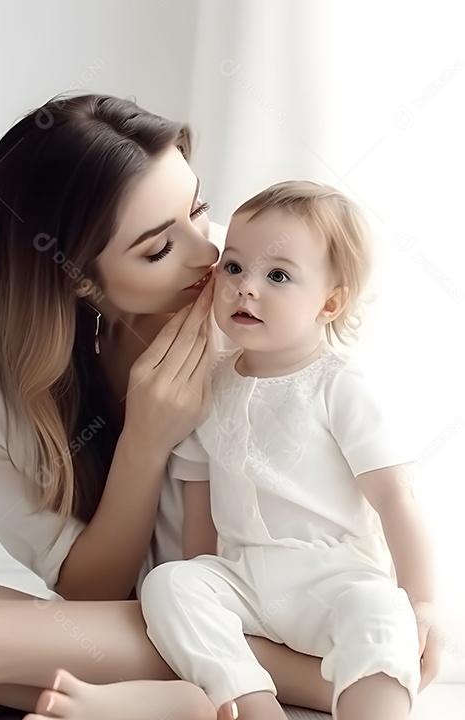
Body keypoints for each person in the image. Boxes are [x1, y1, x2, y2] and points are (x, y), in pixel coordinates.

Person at [0, 94, 377, 720]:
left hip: (249, 616)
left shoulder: (252, 301)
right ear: (77, 277)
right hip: (122, 621)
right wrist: (145, 439)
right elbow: (87, 588)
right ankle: (147, 700)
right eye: (159, 249)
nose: (210, 255)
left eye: (198, 210)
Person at [131, 181, 440, 720]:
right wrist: (203, 575)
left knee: (380, 610)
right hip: (246, 580)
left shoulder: (339, 387)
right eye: (232, 268)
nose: (245, 288)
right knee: (170, 583)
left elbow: (395, 498)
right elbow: (199, 504)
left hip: (334, 581)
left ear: (330, 301)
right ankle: (251, 703)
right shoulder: (209, 386)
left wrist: (422, 602)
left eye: (277, 276)